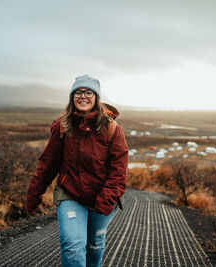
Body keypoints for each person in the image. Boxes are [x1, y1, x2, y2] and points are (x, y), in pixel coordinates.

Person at [26, 74, 129, 267]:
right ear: (72, 97)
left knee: (94, 246)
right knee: (73, 246)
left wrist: (106, 200)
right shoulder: (62, 126)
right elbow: (48, 162)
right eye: (78, 92)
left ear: (96, 98)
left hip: (102, 196)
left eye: (88, 92)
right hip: (70, 193)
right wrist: (34, 194)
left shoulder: (112, 129)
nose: (83, 96)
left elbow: (118, 172)